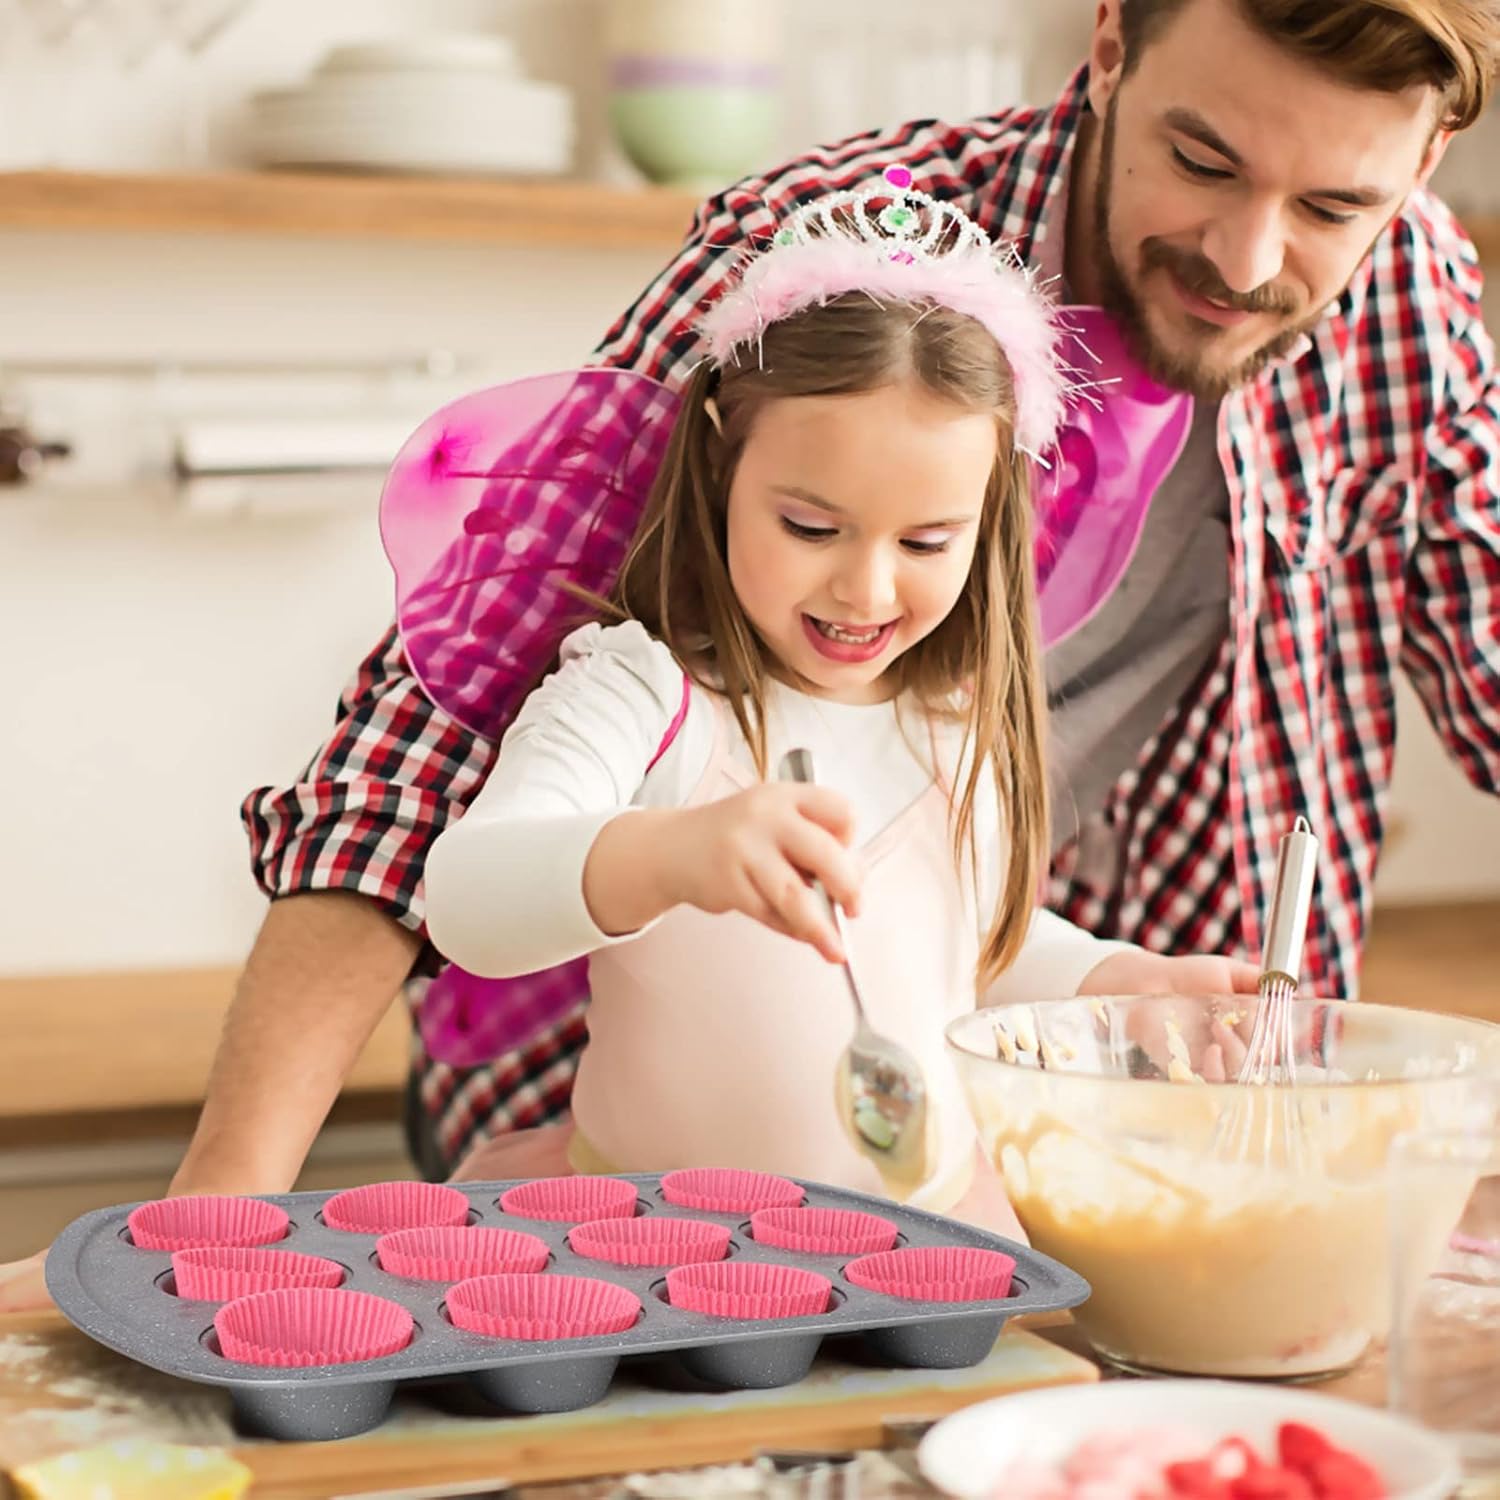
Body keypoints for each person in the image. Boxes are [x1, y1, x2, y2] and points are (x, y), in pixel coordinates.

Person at [4, 0, 1498, 1305]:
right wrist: (228, 1190)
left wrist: (1120, 984)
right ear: (1109, 41)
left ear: (1422, 166)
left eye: (1331, 209)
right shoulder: (832, 257)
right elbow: (436, 741)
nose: (1248, 256)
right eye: (1204, 161)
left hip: (1050, 1133)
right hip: (634, 1163)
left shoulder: (1417, 305)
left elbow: (974, 925)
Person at [412, 172, 1256, 1221]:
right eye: (811, 529)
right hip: (659, 1249)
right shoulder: (645, 694)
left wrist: (1115, 985)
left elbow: (961, 952)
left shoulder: (958, 724)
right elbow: (469, 902)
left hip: (927, 1232)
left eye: (926, 542)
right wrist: (675, 854)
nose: (864, 588)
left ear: (988, 516)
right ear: (722, 465)